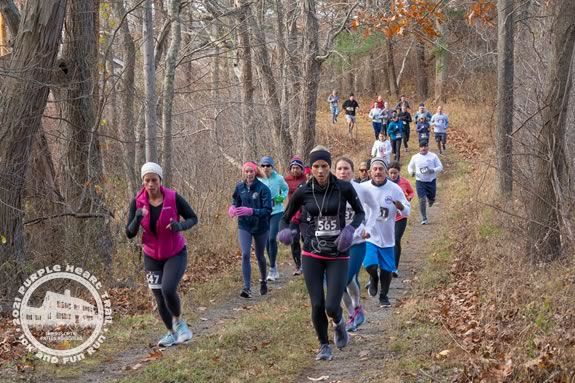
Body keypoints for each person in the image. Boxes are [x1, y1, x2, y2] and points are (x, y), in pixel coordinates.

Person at [277, 146, 365, 361]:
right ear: (311, 168)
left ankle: (339, 322)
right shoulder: (303, 192)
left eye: (324, 166)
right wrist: (284, 232)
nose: (320, 170)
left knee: (331, 306)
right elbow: (285, 217)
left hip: (338, 253)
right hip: (312, 253)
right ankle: (324, 345)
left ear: (329, 166)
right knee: (317, 303)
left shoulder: (344, 188)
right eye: (316, 166)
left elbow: (360, 212)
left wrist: (350, 229)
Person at [126, 162, 197, 347]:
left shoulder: (173, 198)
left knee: (167, 289)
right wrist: (137, 218)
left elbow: (193, 218)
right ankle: (171, 333)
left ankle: (180, 323)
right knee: (158, 297)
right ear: (143, 181)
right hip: (151, 256)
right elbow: (129, 233)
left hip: (175, 252)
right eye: (147, 180)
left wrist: (179, 226)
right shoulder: (137, 202)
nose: (151, 184)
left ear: (160, 180)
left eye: (154, 180)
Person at [334, 158, 378, 332]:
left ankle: (357, 308)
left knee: (344, 280)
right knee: (340, 282)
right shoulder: (331, 190)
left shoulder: (361, 189)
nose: (343, 172)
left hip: (357, 242)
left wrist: (368, 227)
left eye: (346, 169)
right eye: (339, 169)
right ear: (335, 172)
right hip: (336, 243)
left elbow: (374, 208)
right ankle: (353, 313)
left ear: (352, 171)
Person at [360, 158, 410, 307]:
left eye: (380, 169)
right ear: (369, 172)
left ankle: (384, 296)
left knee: (387, 270)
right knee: (370, 265)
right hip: (370, 236)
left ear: (386, 172)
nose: (377, 172)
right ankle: (374, 279)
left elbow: (407, 210)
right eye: (374, 169)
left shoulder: (394, 189)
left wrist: (401, 207)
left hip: (388, 237)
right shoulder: (363, 188)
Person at [229, 162, 273, 298]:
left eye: (251, 171)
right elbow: (235, 200)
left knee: (260, 256)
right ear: (244, 172)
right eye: (246, 171)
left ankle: (263, 280)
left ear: (255, 172)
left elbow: (267, 210)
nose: (249, 174)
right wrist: (232, 207)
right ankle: (247, 288)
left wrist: (251, 211)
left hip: (260, 226)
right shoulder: (239, 186)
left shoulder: (263, 189)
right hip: (244, 225)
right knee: (245, 254)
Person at [258, 156, 289, 281]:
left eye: (268, 166)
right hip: (264, 213)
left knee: (271, 239)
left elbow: (286, 189)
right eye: (263, 165)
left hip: (277, 211)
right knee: (266, 241)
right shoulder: (258, 179)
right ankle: (273, 265)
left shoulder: (279, 178)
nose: (266, 168)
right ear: (261, 167)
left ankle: (272, 269)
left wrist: (281, 197)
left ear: (272, 167)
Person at [387, 161, 414, 278]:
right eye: (391, 173)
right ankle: (386, 264)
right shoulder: (385, 183)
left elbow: (411, 192)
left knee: (396, 240)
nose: (393, 175)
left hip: (401, 217)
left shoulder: (404, 182)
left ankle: (394, 268)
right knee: (388, 241)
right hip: (388, 217)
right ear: (388, 173)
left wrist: (408, 198)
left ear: (399, 172)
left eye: (395, 173)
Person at [407, 142, 443, 225]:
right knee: (422, 200)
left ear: (428, 147)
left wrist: (433, 170)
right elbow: (410, 166)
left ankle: (431, 200)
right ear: (419, 148)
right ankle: (424, 218)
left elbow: (440, 167)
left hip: (431, 181)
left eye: (425, 146)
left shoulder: (433, 156)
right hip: (420, 181)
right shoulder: (415, 157)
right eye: (422, 147)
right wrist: (411, 172)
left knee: (432, 197)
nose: (423, 148)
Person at [284, 156, 307, 275]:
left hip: (305, 213)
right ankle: (298, 265)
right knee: (294, 240)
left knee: (306, 239)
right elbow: (281, 191)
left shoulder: (306, 179)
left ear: (302, 169)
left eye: (297, 167)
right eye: (293, 167)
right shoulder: (286, 180)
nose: (295, 170)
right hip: (293, 214)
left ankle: (307, 263)